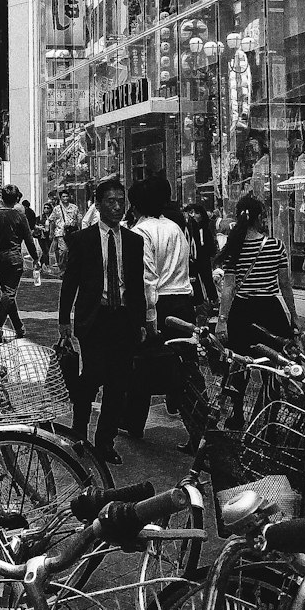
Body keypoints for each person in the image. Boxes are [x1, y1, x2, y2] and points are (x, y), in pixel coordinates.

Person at [58, 175, 147, 464]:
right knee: (93, 374)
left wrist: (141, 321)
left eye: (121, 202)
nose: (117, 207)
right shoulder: (83, 240)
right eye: (111, 202)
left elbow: (135, 285)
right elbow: (70, 281)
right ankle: (79, 429)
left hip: (122, 318)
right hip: (93, 318)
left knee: (118, 381)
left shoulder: (133, 241)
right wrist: (64, 320)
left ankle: (105, 441)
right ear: (98, 205)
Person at [215, 193, 299, 423]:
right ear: (259, 217)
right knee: (273, 367)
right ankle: (268, 417)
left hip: (242, 311)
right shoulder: (276, 246)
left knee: (239, 364)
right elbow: (285, 286)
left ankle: (237, 413)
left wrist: (222, 319)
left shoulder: (234, 246)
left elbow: (229, 288)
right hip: (270, 310)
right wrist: (293, 316)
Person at [124, 177, 195, 440]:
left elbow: (147, 278)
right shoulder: (174, 227)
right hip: (183, 300)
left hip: (160, 304)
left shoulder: (141, 232)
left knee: (142, 365)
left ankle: (134, 422)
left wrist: (149, 318)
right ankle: (195, 426)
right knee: (186, 365)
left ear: (135, 205)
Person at [0, 184, 41, 337]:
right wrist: (36, 258)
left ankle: (18, 327)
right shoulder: (19, 216)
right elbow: (29, 240)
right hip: (14, 257)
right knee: (9, 294)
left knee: (7, 294)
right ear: (17, 198)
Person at [184, 202, 219, 309]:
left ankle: (213, 300)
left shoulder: (206, 229)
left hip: (203, 258)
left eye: (197, 213)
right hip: (193, 259)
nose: (194, 215)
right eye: (191, 213)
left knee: (207, 279)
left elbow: (210, 246)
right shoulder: (188, 229)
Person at [50, 189, 82, 274]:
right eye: (63, 196)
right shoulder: (57, 209)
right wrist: (51, 232)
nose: (65, 198)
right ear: (60, 198)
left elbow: (79, 219)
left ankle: (71, 268)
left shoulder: (74, 207)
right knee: (63, 251)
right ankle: (62, 269)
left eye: (67, 196)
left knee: (72, 251)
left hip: (72, 232)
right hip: (60, 232)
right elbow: (52, 220)